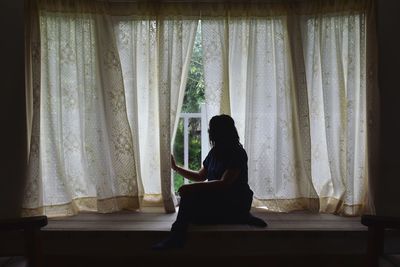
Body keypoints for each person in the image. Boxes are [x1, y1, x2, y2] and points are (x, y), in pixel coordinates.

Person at [153, 114, 267, 250]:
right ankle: (240, 217)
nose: (209, 132)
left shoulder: (238, 153)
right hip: (219, 199)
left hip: (234, 201)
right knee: (192, 213)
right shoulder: (215, 152)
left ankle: (176, 238)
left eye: (212, 130)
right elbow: (201, 176)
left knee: (190, 204)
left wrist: (190, 189)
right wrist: (176, 168)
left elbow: (224, 183)